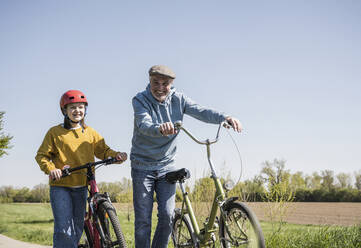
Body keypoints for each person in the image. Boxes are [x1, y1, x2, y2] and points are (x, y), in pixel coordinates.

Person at [130, 65, 242, 248]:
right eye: (155, 83)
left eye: (164, 84)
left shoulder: (178, 99)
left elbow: (201, 111)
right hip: (142, 165)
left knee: (167, 216)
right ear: (149, 81)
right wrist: (159, 128)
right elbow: (144, 124)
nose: (159, 87)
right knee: (143, 220)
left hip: (166, 165)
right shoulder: (140, 100)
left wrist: (225, 117)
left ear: (171, 84)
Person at [35, 90, 127, 248]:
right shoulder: (55, 133)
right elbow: (42, 156)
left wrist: (117, 155)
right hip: (61, 186)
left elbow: (103, 151)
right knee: (64, 229)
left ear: (85, 109)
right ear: (65, 111)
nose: (77, 110)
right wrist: (52, 169)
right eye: (72, 107)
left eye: (80, 107)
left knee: (78, 226)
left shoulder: (90, 133)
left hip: (82, 186)